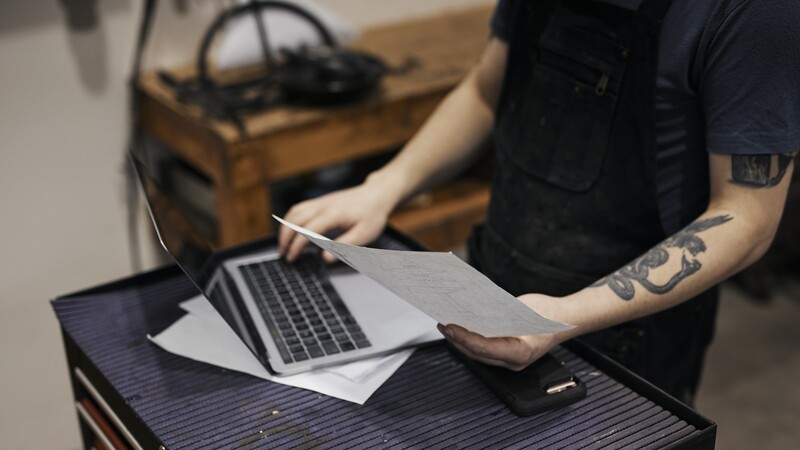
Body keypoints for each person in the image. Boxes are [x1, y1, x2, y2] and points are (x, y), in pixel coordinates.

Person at [278, 0, 799, 404]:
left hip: (627, 342)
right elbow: (486, 91)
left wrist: (562, 316)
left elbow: (747, 216)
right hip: (491, 288)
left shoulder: (754, 13)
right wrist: (385, 186)